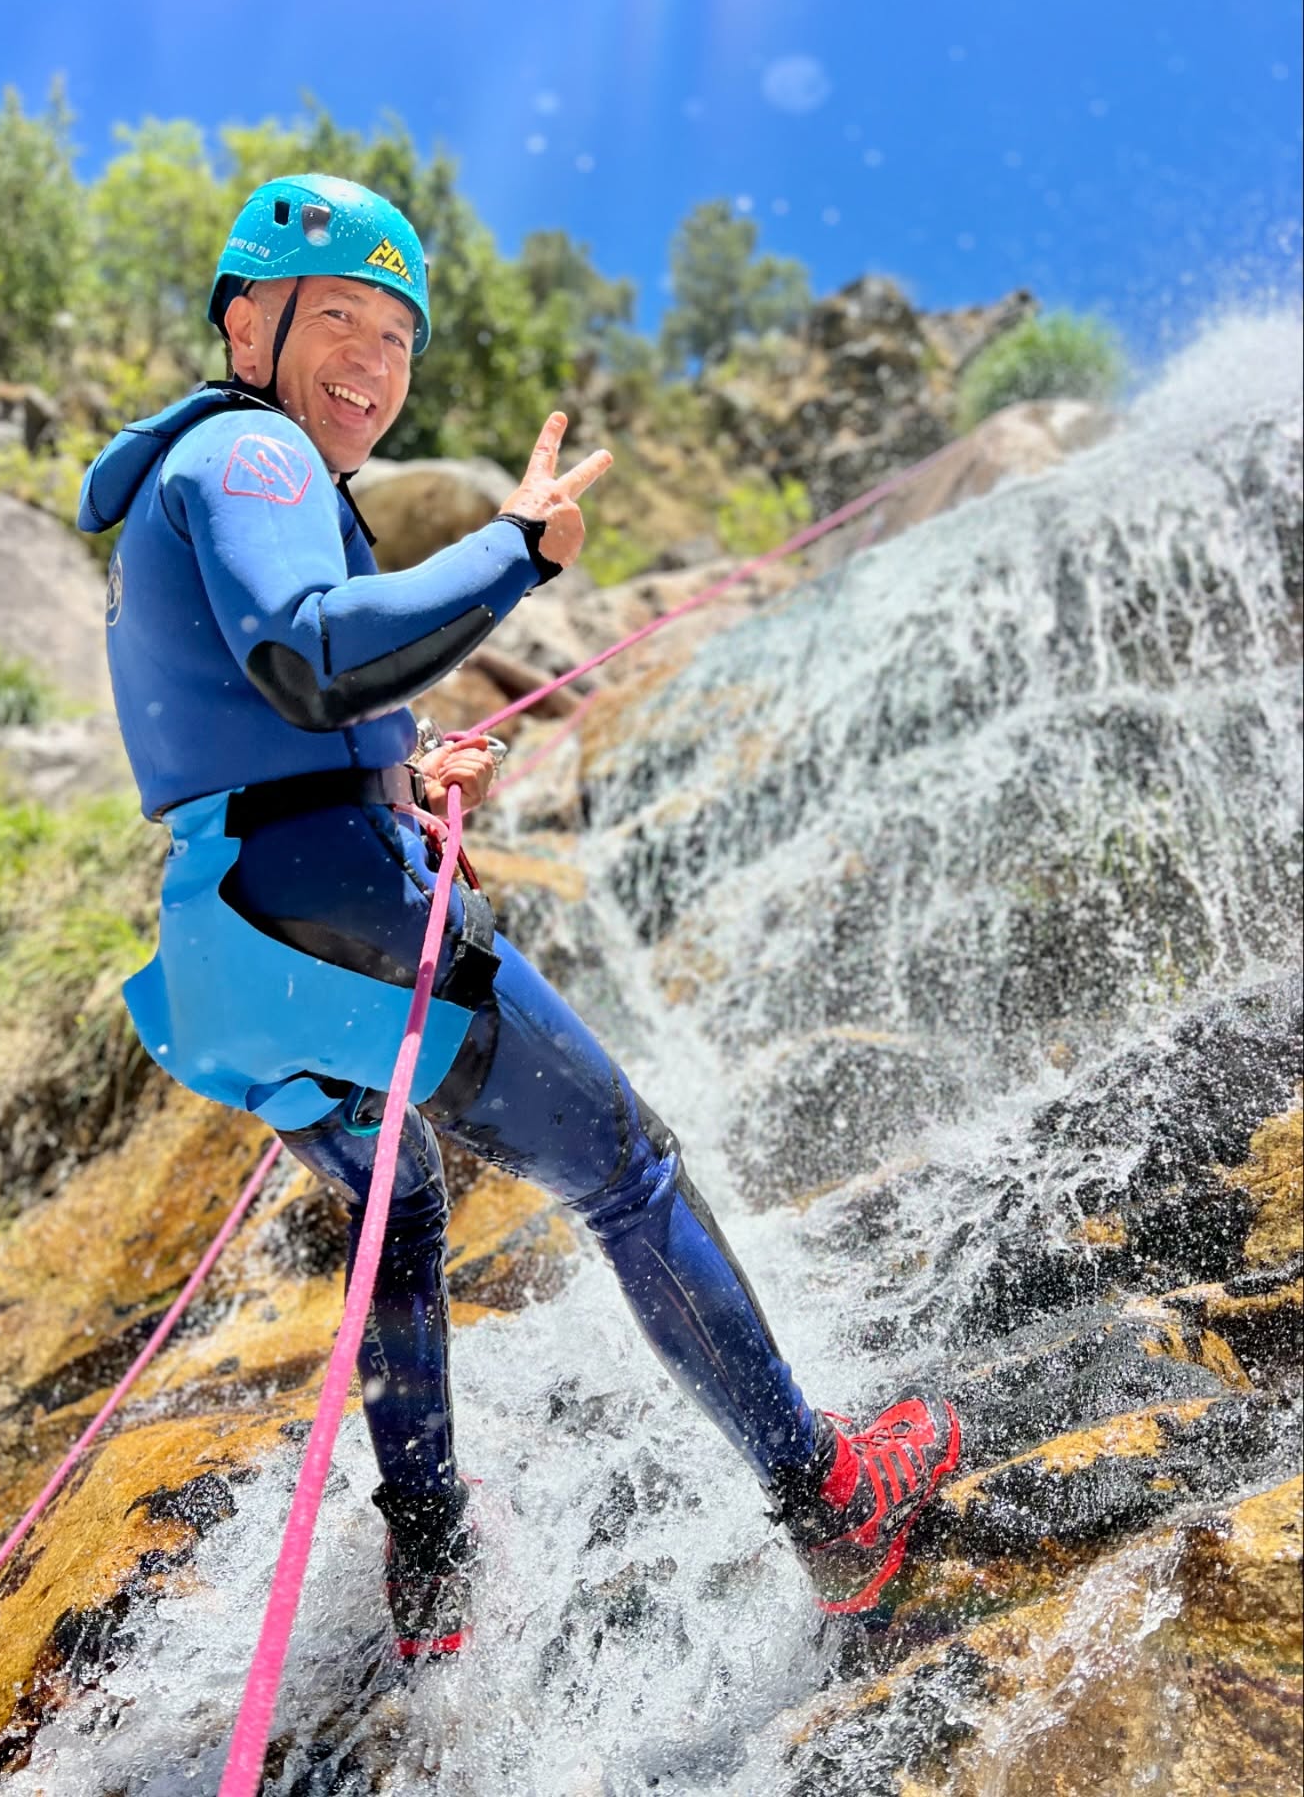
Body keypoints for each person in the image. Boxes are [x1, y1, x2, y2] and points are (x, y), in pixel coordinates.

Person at [79, 174, 960, 1657]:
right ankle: (831, 1505)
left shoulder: (191, 475)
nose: (374, 362)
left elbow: (260, 717)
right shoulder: (251, 455)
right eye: (341, 319)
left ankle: (428, 1569)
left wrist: (403, 769)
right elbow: (306, 659)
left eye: (400, 340)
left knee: (399, 1208)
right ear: (250, 320)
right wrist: (514, 553)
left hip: (230, 945)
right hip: (329, 910)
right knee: (626, 1175)